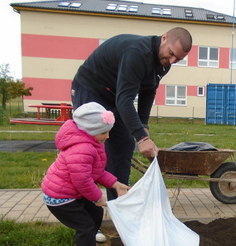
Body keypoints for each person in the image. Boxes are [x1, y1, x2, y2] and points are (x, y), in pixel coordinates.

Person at [71, 27, 193, 201]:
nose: (172, 61)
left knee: (124, 144)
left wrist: (143, 127)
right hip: (91, 90)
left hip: (114, 96)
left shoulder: (163, 62)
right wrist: (142, 139)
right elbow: (125, 100)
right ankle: (83, 212)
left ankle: (119, 203)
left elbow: (148, 91)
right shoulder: (137, 53)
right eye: (171, 54)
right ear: (164, 38)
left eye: (178, 59)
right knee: (88, 150)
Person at [41, 102, 130, 246]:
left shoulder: (91, 141)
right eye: (104, 132)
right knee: (86, 226)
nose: (108, 136)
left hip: (69, 193)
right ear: (90, 130)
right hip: (60, 198)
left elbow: (96, 172)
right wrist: (97, 197)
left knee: (95, 213)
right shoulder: (82, 148)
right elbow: (82, 180)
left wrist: (116, 184)